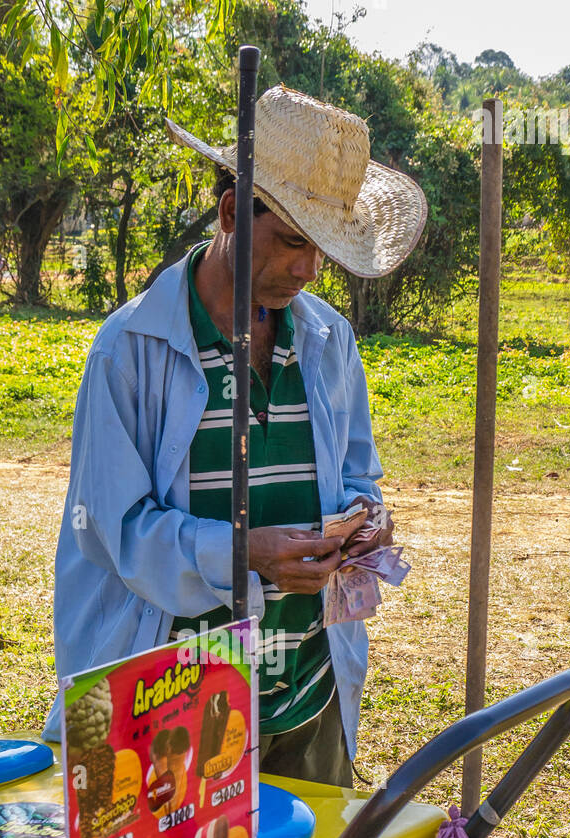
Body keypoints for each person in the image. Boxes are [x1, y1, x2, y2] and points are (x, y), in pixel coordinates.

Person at [42, 84, 427, 786]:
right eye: (289, 243)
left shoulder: (328, 340)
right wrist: (243, 554)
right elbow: (111, 528)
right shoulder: (131, 348)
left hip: (305, 703)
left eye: (320, 250)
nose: (308, 271)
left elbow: (358, 476)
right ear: (229, 213)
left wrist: (363, 527)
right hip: (169, 710)